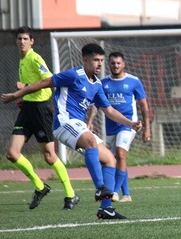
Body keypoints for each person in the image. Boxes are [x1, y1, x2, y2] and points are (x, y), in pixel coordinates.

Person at [1, 43, 142, 220]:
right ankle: (100, 187)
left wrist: (130, 123)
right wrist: (16, 94)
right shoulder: (73, 75)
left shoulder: (97, 84)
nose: (99, 64)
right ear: (85, 60)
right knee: (91, 141)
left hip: (77, 125)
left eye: (101, 61)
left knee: (110, 159)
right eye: (95, 60)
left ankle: (106, 209)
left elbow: (110, 111)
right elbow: (44, 83)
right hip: (63, 123)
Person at [4, 26, 79, 210]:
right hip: (27, 109)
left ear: (32, 41)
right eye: (19, 38)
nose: (22, 41)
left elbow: (49, 80)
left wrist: (24, 87)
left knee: (49, 156)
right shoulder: (22, 60)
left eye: (25, 39)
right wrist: (24, 97)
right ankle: (40, 186)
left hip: (41, 110)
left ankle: (70, 194)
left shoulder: (35, 58)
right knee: (12, 153)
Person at [87, 51, 151, 203]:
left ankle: (115, 192)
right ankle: (127, 194)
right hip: (110, 127)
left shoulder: (134, 81)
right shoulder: (102, 83)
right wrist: (89, 122)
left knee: (121, 155)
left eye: (118, 63)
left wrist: (147, 128)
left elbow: (144, 105)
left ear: (124, 64)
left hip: (129, 124)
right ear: (109, 64)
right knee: (116, 158)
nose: (116, 66)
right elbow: (96, 105)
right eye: (113, 63)